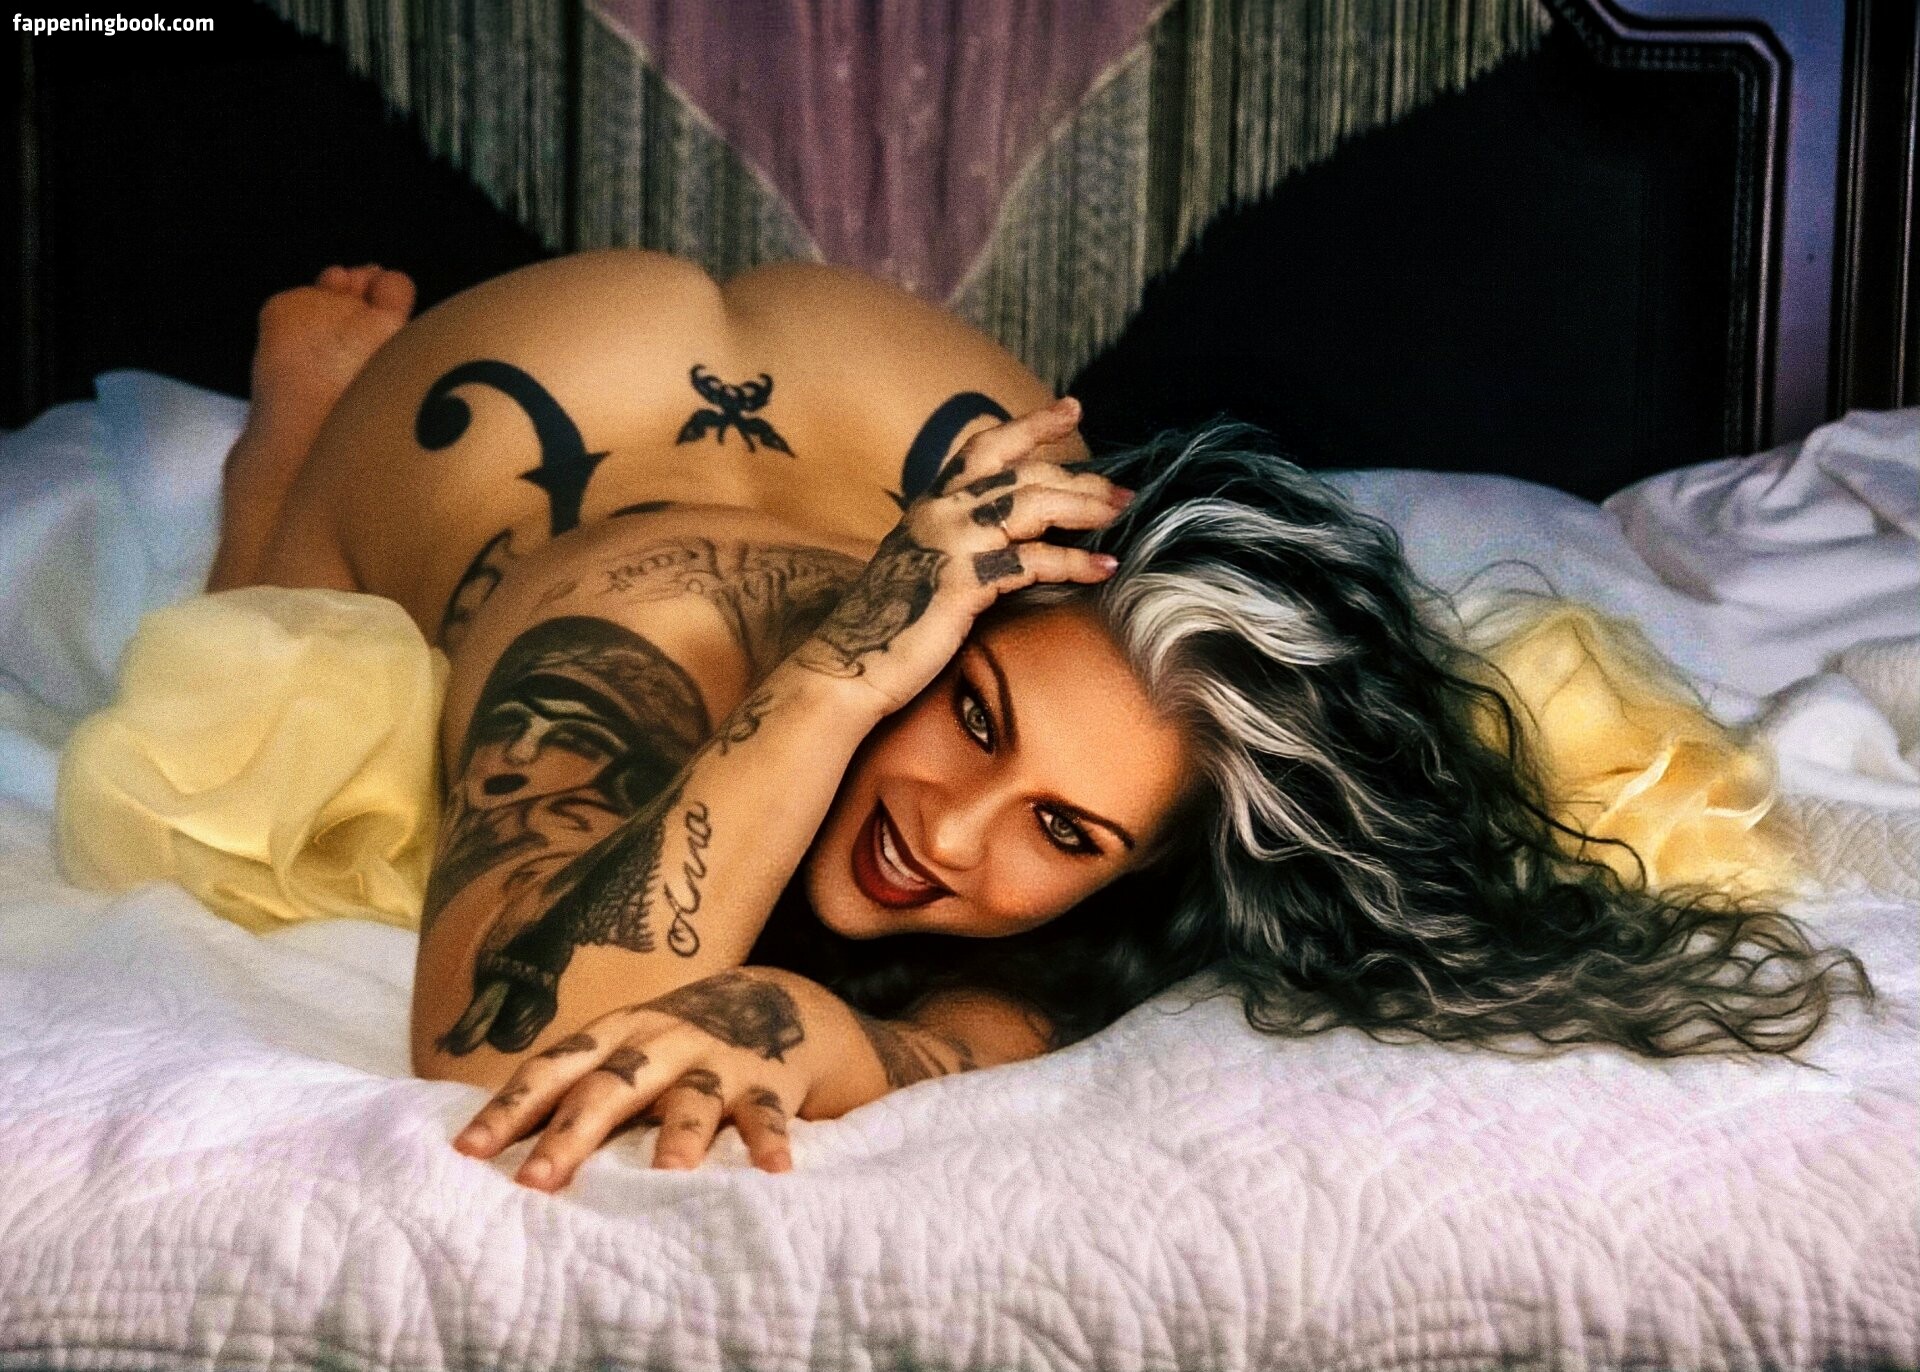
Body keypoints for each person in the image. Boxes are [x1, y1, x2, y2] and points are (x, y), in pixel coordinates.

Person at [208, 252, 1870, 1193]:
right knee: (260, 640)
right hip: (506, 405)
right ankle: (297, 404)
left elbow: (1022, 996)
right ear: (946, 615)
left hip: (906, 387)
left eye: (1065, 832)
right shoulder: (627, 649)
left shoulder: (1112, 814)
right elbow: (501, 1048)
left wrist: (858, 1037)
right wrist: (844, 673)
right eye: (973, 713)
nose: (943, 832)